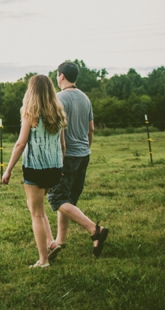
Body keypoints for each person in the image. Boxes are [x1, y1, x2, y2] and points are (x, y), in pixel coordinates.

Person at [2, 74, 67, 268]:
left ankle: (43, 260)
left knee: (36, 214)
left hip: (35, 169)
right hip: (54, 169)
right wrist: (60, 166)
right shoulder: (58, 114)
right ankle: (51, 242)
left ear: (31, 91)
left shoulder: (30, 114)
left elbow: (21, 143)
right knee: (35, 207)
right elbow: (62, 145)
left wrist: (8, 170)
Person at [47, 61, 108, 260]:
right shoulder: (85, 98)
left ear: (61, 76)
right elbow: (91, 129)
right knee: (68, 198)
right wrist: (87, 148)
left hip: (67, 155)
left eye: (57, 75)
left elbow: (57, 133)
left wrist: (57, 160)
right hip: (83, 154)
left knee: (56, 198)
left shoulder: (57, 99)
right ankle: (61, 240)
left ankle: (94, 229)